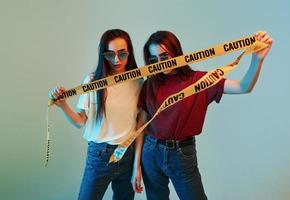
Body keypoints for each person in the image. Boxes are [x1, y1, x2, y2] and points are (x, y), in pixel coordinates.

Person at [138, 30, 272, 200]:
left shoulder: (199, 81)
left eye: (164, 57)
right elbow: (142, 121)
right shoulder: (150, 84)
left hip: (181, 154)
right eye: (154, 59)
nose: (160, 63)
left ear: (176, 52)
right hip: (150, 152)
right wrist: (137, 165)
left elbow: (243, 87)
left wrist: (257, 60)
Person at [49, 29, 144, 200]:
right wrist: (63, 105)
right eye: (110, 55)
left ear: (129, 53)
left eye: (122, 54)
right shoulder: (92, 81)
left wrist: (137, 166)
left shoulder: (138, 81)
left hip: (128, 155)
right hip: (99, 155)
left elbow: (140, 127)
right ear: (103, 55)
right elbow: (80, 122)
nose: (116, 60)